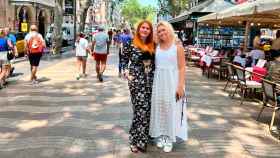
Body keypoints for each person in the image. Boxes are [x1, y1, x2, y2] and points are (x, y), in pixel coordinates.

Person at [149, 21, 188, 153]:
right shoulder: (157, 46)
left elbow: (182, 67)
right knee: (160, 108)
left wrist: (180, 86)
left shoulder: (177, 47)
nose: (161, 33)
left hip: (173, 81)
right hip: (159, 82)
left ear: (169, 30)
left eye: (163, 30)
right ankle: (161, 136)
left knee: (172, 109)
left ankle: (170, 138)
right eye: (159, 31)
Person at [122, 20, 155, 153]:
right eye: (143, 27)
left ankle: (143, 137)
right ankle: (135, 140)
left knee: (147, 110)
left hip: (150, 81)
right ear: (139, 29)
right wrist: (126, 73)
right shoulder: (130, 42)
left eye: (148, 28)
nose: (145, 30)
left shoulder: (153, 44)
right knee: (140, 110)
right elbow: (124, 59)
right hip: (136, 81)